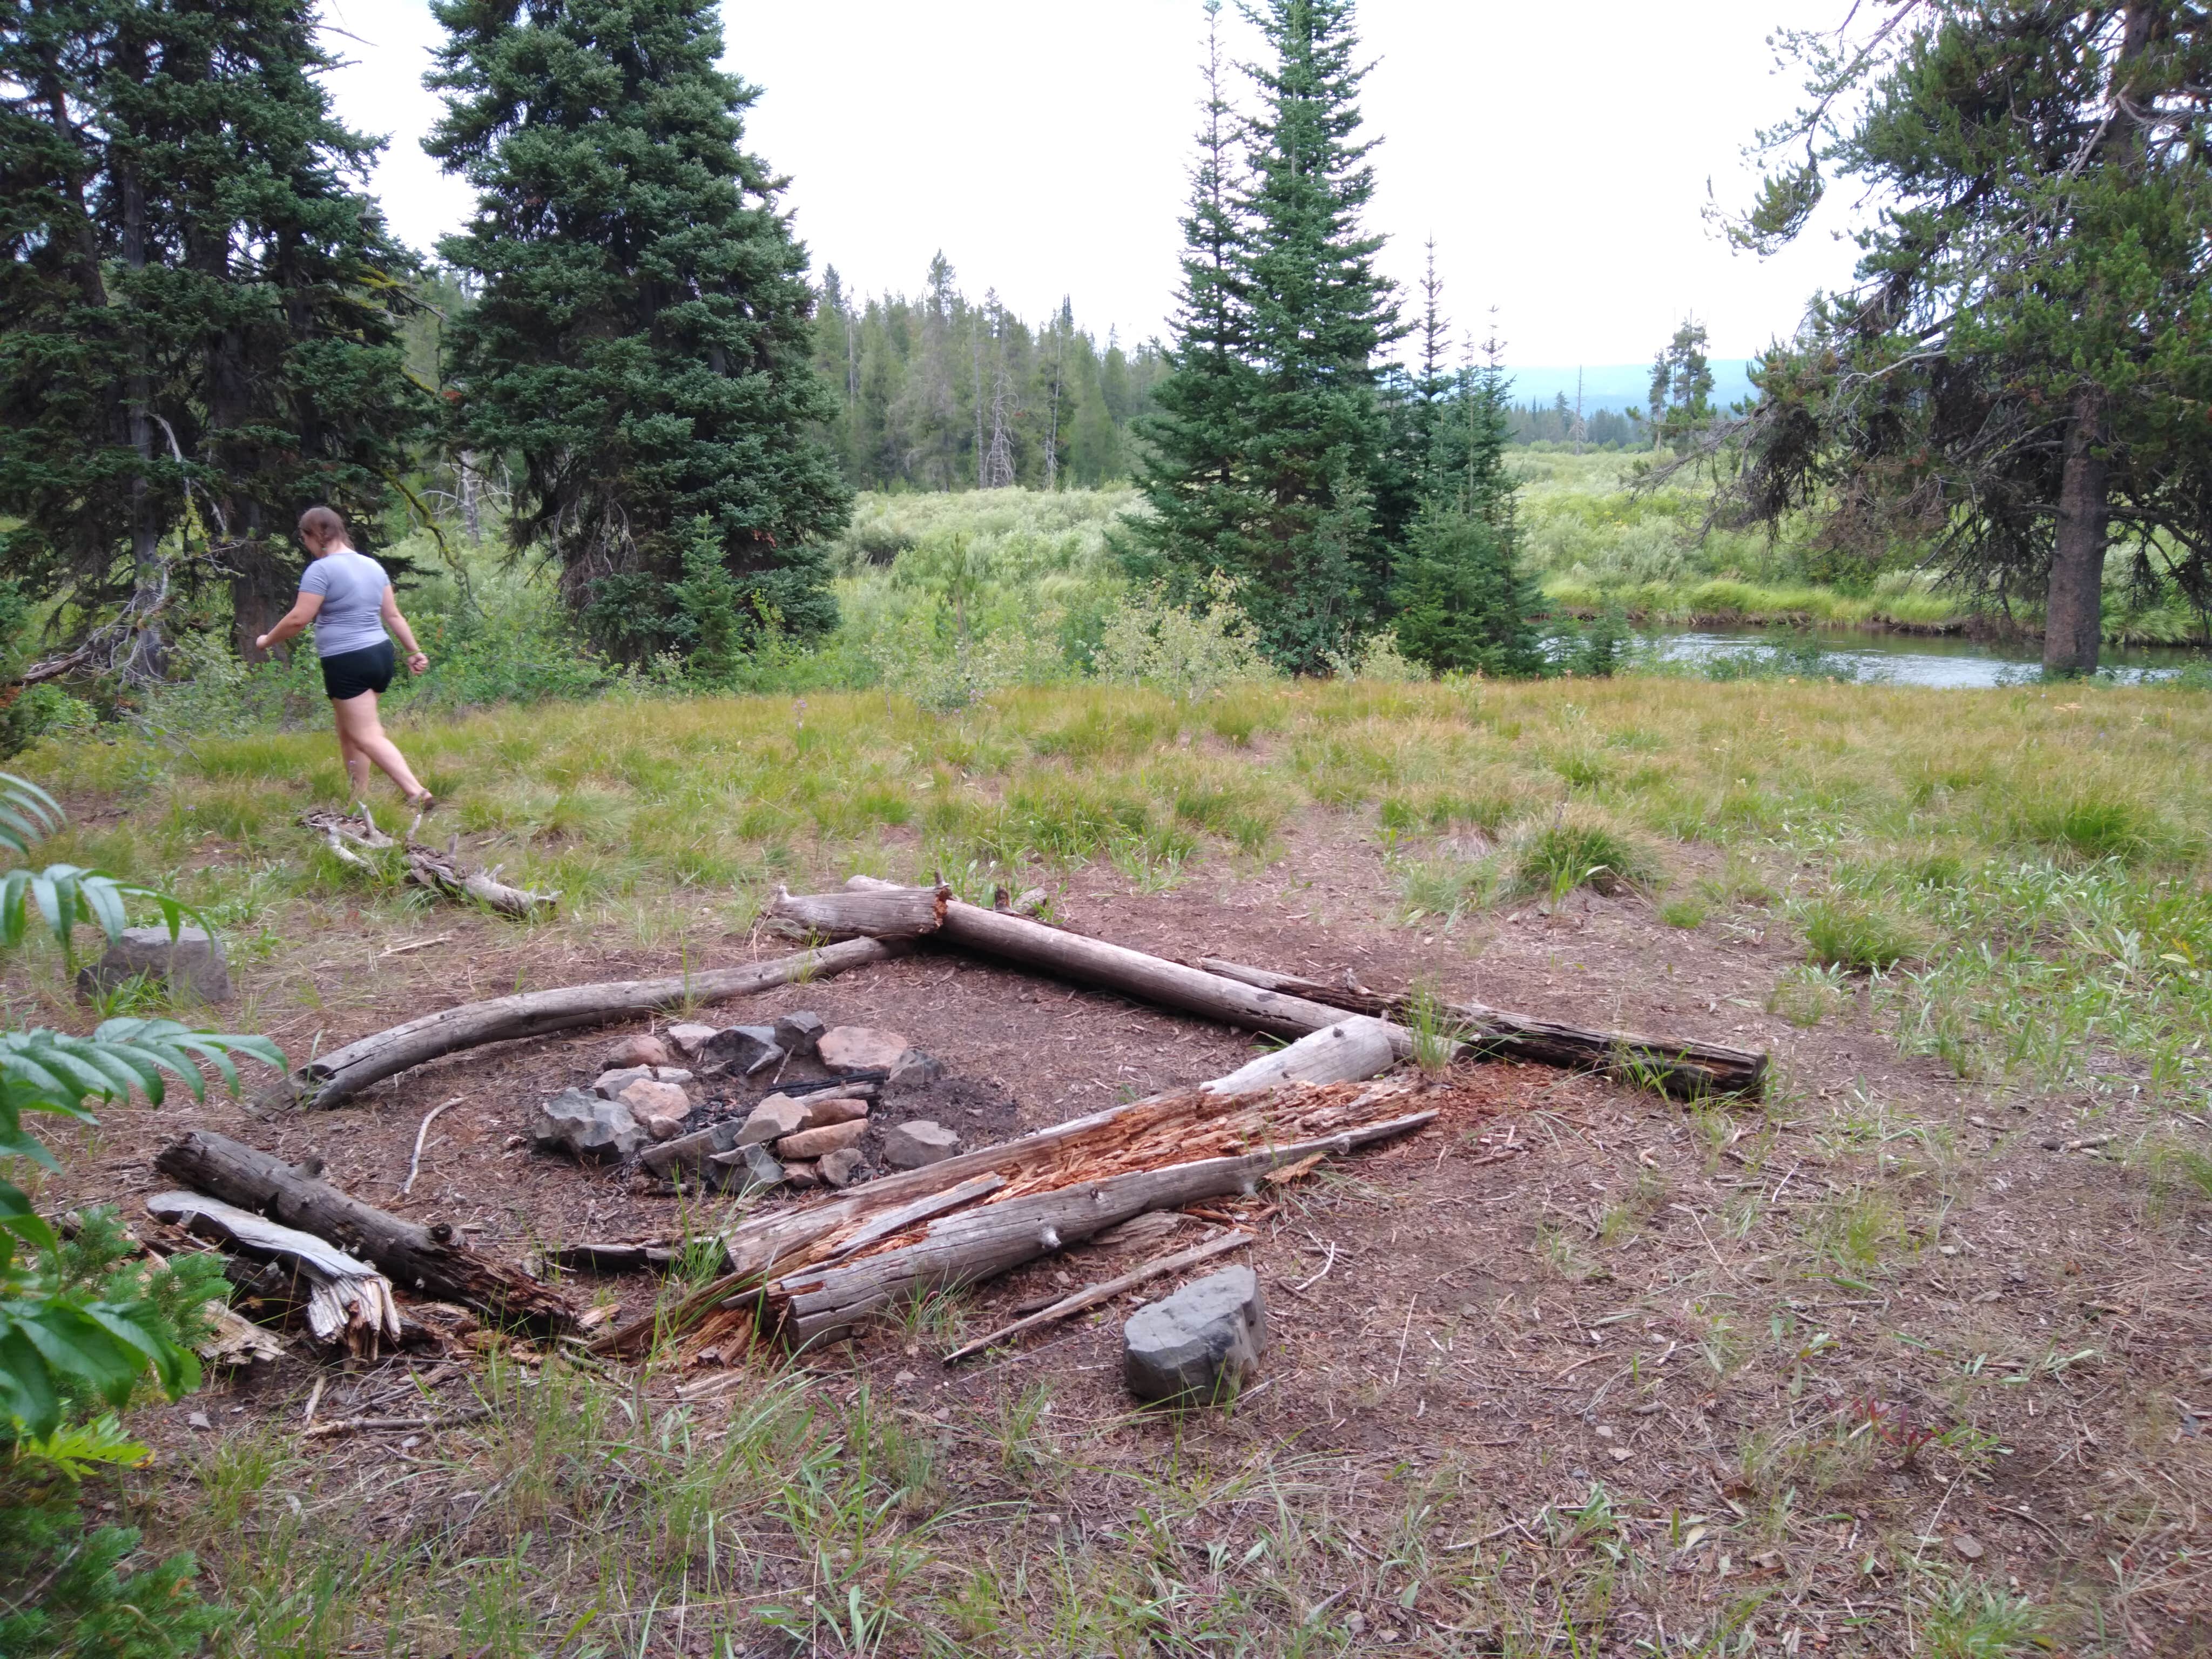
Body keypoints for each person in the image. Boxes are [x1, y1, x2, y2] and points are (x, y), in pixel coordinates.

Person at [254, 505, 435, 812]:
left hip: (348, 660)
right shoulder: (372, 566)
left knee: (366, 734)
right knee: (349, 729)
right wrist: (414, 651)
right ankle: (358, 798)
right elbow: (392, 614)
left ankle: (415, 791)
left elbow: (299, 618)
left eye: (304, 538)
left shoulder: (321, 570)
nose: (307, 546)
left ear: (315, 535)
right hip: (379, 654)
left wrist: (267, 640)